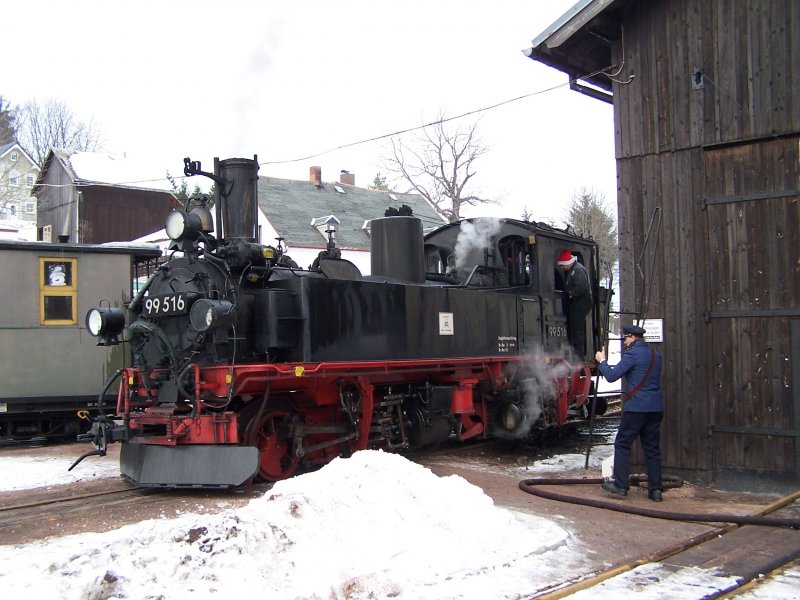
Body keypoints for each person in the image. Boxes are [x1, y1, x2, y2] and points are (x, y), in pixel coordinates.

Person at [595, 324, 664, 501]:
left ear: (632, 338)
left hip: (637, 408)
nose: (624, 342)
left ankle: (620, 485)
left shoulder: (632, 354)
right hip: (656, 408)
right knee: (652, 448)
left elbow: (611, 376)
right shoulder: (656, 356)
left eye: (625, 338)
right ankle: (655, 490)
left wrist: (602, 361)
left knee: (623, 443)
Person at [557, 250, 592, 357]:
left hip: (581, 303)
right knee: (576, 329)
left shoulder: (578, 270)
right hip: (578, 303)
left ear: (567, 263)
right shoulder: (574, 269)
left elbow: (581, 286)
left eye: (563, 265)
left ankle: (579, 355)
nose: (562, 268)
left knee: (578, 330)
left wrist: (571, 294)